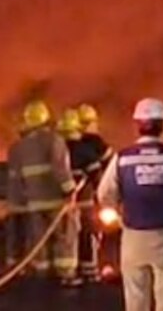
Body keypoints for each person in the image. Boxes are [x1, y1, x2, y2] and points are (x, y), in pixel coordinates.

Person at [98, 98, 163, 311]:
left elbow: (104, 195)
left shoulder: (123, 158)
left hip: (133, 236)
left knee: (136, 298)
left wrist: (120, 211)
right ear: (162, 125)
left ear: (138, 125)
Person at [7, 100, 80, 286]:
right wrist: (70, 189)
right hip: (55, 201)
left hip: (33, 202)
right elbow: (60, 168)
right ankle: (66, 274)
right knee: (64, 236)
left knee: (39, 239)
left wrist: (18, 204)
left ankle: (42, 273)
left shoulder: (17, 147)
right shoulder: (54, 140)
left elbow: (15, 179)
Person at [57, 108, 108, 282]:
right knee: (88, 234)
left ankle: (70, 269)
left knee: (68, 238)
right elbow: (97, 176)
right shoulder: (85, 150)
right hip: (85, 203)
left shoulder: (58, 150)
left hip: (64, 206)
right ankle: (90, 271)